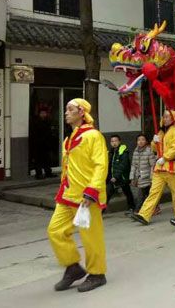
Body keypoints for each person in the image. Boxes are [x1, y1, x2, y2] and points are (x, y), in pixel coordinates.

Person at [47, 98, 107, 292]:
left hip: (86, 197)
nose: (66, 112)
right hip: (67, 195)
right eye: (66, 109)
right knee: (55, 231)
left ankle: (97, 274)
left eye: (70, 109)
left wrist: (92, 191)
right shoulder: (69, 138)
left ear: (81, 112)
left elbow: (101, 165)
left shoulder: (94, 136)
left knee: (91, 238)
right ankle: (72, 267)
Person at [131, 110, 175, 225]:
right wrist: (154, 142)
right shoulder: (160, 132)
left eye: (167, 117)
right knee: (153, 192)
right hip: (159, 167)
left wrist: (165, 157)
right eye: (164, 117)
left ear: (173, 119)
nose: (165, 119)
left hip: (171, 167)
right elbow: (154, 149)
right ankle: (144, 214)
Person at [106, 135, 134, 214]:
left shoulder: (123, 151)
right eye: (112, 141)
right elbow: (109, 165)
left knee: (127, 192)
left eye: (116, 141)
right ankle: (101, 211)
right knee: (108, 193)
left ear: (119, 141)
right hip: (112, 177)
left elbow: (123, 165)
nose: (114, 143)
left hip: (122, 177)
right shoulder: (111, 152)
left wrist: (116, 176)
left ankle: (131, 207)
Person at [129, 134, 156, 212]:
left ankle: (137, 210)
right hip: (138, 177)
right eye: (139, 140)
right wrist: (132, 176)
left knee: (142, 194)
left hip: (146, 177)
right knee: (146, 194)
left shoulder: (149, 151)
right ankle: (153, 208)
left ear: (146, 141)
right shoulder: (135, 151)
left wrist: (151, 177)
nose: (140, 141)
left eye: (143, 140)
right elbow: (133, 165)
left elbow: (153, 165)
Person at [31, 108, 54, 179]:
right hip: (38, 145)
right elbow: (34, 134)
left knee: (47, 159)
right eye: (42, 113)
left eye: (45, 113)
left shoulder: (47, 122)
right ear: (39, 114)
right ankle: (39, 174)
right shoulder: (36, 122)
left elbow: (49, 133)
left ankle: (48, 172)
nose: (43, 114)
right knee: (38, 160)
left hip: (46, 144)